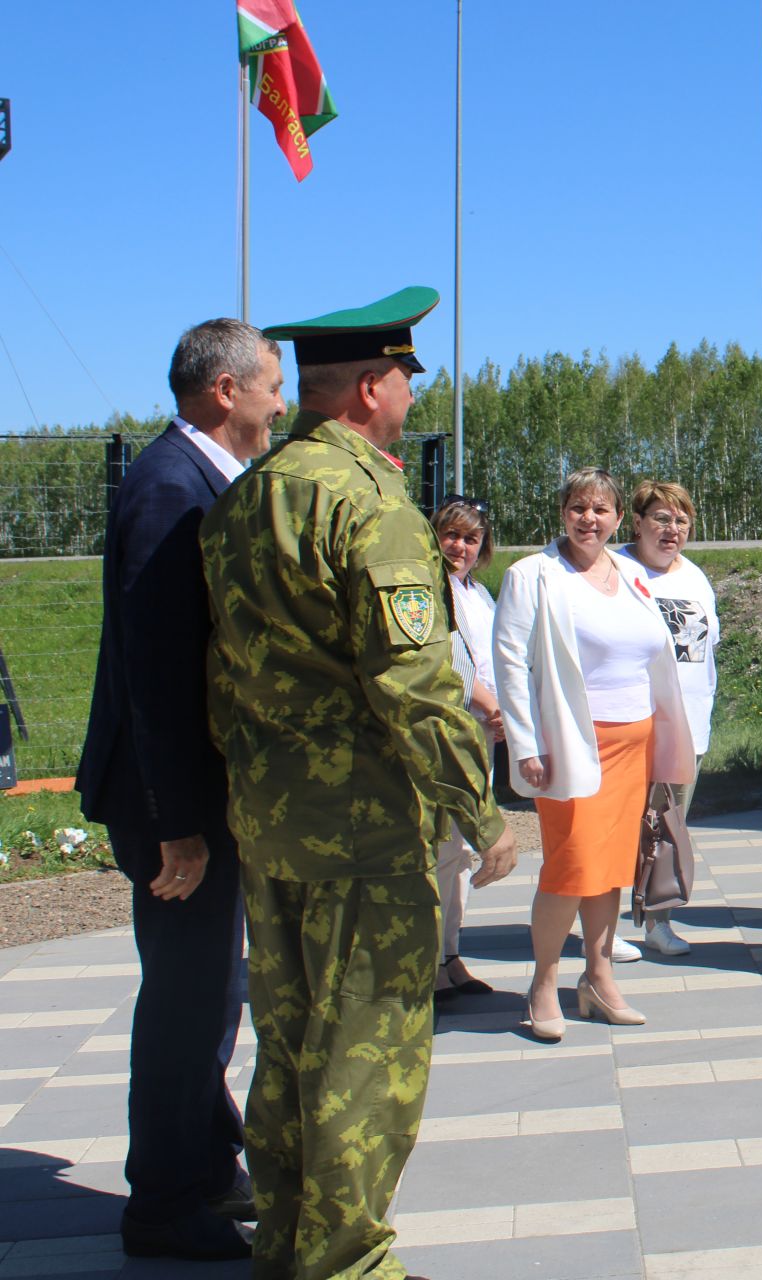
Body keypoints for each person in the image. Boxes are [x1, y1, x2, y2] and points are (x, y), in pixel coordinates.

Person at [201, 287, 516, 1280]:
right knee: (369, 1045)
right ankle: (347, 1261)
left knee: (288, 1035)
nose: (411, 398)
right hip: (366, 827)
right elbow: (415, 677)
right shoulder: (368, 499)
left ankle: (290, 1242)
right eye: (407, 380)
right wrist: (479, 805)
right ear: (373, 388)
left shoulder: (246, 494)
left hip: (272, 817)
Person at [75, 319, 283, 1262]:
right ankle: (160, 1204)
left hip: (189, 795)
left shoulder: (198, 476)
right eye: (270, 384)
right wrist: (181, 826)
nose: (280, 402)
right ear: (223, 392)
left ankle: (205, 1161)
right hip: (172, 803)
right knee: (189, 1000)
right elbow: (156, 675)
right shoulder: (169, 488)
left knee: (212, 989)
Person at [493, 469, 697, 1038]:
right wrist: (526, 742)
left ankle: (599, 978)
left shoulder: (630, 573)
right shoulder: (532, 574)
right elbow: (510, 661)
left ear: (616, 518)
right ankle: (543, 984)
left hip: (636, 740)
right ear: (563, 511)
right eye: (579, 507)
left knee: (610, 869)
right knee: (571, 865)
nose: (590, 518)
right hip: (572, 744)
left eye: (601, 509)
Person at [613, 478, 718, 958]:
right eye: (661, 518)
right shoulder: (614, 568)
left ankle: (658, 922)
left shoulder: (694, 577)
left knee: (667, 832)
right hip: (629, 728)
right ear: (636, 523)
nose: (671, 529)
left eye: (681, 520)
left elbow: (706, 653)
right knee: (618, 827)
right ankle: (601, 928)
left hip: (687, 730)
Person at [431, 494, 507, 1002]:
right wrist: (490, 704)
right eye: (452, 534)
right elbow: (446, 660)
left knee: (458, 851)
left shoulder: (476, 591)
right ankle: (431, 963)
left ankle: (450, 953)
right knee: (442, 850)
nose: (460, 546)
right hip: (452, 729)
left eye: (471, 538)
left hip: (483, 729)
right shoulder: (432, 588)